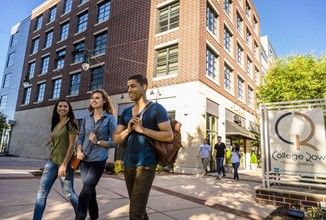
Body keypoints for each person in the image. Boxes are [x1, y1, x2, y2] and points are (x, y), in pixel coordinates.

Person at [113, 74, 173, 220]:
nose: (129, 90)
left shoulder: (157, 109)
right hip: (128, 164)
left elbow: (169, 135)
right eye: (128, 87)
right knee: (138, 208)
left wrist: (143, 130)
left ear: (144, 87)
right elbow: (116, 139)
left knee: (135, 213)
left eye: (133, 86)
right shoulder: (126, 112)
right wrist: (128, 130)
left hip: (146, 164)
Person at [33, 99, 79, 220]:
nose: (62, 108)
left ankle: (81, 216)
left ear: (69, 109)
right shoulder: (56, 123)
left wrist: (64, 164)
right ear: (56, 108)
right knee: (41, 192)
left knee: (69, 192)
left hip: (66, 163)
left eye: (65, 106)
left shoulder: (71, 124)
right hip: (52, 161)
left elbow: (72, 145)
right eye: (60, 106)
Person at [75, 89, 117, 220]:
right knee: (90, 192)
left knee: (84, 194)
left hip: (98, 160)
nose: (94, 100)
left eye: (97, 98)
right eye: (92, 98)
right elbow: (81, 137)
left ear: (104, 101)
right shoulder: (87, 117)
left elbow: (115, 142)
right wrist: (79, 151)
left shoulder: (109, 119)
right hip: (84, 160)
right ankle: (94, 217)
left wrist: (97, 141)